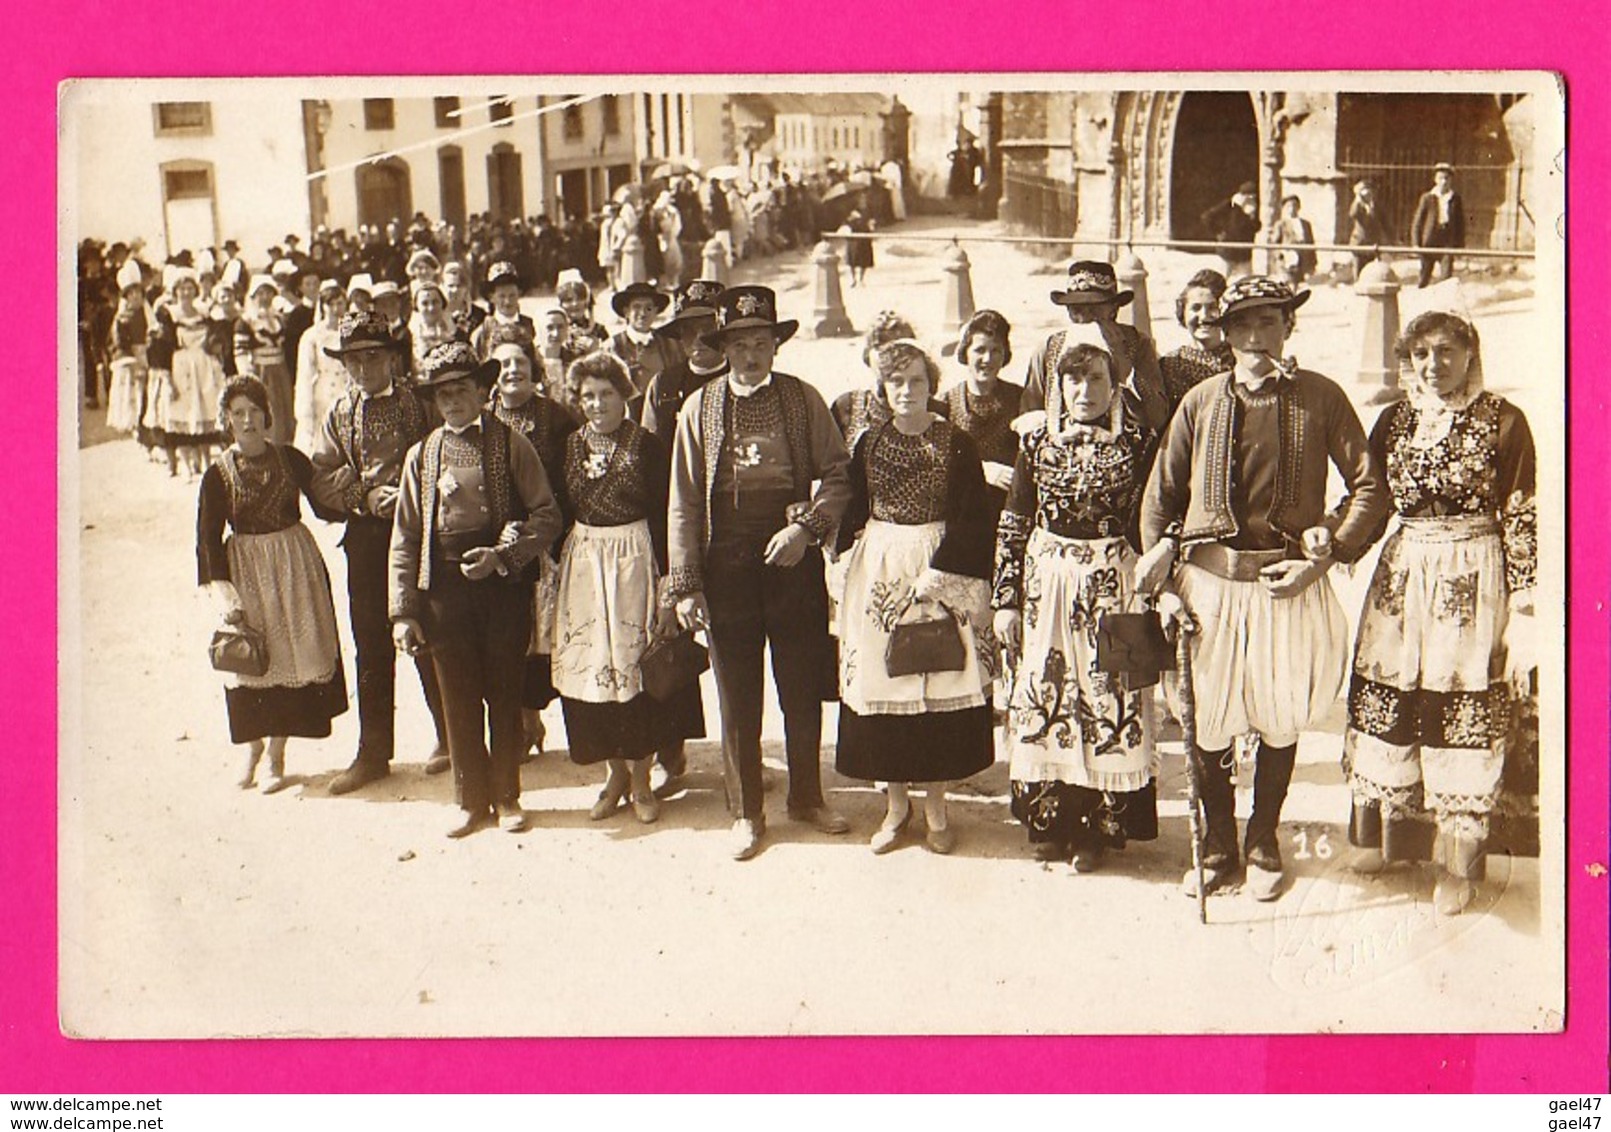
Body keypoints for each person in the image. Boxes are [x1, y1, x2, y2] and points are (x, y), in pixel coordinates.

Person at [1136, 276, 1389, 901]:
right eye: (1242, 325)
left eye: (1269, 322)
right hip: (1210, 588)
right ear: (1224, 335)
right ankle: (1219, 845)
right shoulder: (1199, 401)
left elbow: (1370, 488)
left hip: (1287, 584)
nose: (1255, 337)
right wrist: (1165, 579)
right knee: (1207, 721)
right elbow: (1159, 499)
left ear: (1288, 328)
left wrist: (1323, 556)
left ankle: (1264, 839)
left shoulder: (1319, 398)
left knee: (1279, 718)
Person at [1342, 305, 1535, 915]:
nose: (1434, 365)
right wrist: (1332, 545)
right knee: (1390, 700)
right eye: (1421, 353)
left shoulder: (1505, 421)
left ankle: (1459, 866)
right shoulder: (1393, 422)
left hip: (1471, 582)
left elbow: (1523, 511)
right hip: (1403, 577)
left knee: (1461, 710)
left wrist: (1526, 604)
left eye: (1447, 351)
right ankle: (1383, 840)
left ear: (1470, 353)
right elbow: (1370, 502)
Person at [668, 285, 853, 860]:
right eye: (739, 343)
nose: (750, 354)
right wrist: (687, 583)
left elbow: (839, 474)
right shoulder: (699, 409)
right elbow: (684, 501)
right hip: (727, 561)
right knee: (738, 693)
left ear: (776, 344)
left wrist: (808, 531)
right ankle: (747, 811)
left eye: (760, 341)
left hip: (791, 559)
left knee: (800, 686)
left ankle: (806, 797)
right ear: (723, 348)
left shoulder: (803, 400)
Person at [994, 325, 1159, 870]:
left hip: (1115, 584)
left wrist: (1159, 590)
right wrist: (1006, 601)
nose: (1084, 391)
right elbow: (1015, 519)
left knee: (1106, 699)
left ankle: (1095, 831)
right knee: (1049, 693)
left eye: (1095, 379)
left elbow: (1152, 518)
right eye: (1073, 380)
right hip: (1047, 584)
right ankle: (1049, 822)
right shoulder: (1035, 442)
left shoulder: (1137, 443)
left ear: (1114, 385)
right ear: (1057, 387)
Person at [390, 342, 564, 838]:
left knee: (504, 692)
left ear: (482, 391)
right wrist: (404, 610)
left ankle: (507, 795)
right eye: (443, 394)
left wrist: (504, 556)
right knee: (457, 695)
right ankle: (470, 800)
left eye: (462, 390)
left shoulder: (511, 444)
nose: (452, 402)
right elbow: (404, 537)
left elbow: (548, 515)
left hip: (501, 588)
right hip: (443, 591)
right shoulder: (421, 456)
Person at [833, 339, 996, 854]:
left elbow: (974, 514)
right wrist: (834, 549)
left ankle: (937, 807)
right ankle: (896, 806)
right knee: (887, 684)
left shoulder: (955, 442)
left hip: (937, 560)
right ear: (883, 387)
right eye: (897, 381)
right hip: (881, 565)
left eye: (917, 381)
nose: (907, 391)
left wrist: (941, 576)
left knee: (939, 680)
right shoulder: (868, 443)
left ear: (932, 386)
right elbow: (852, 503)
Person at [310, 312, 451, 794]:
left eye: (373, 357)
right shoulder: (340, 413)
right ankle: (373, 753)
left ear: (392, 357)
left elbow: (447, 455)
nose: (364, 369)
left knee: (430, 633)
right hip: (368, 541)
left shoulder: (420, 404)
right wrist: (362, 498)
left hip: (421, 535)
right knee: (371, 642)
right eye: (354, 360)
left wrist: (412, 495)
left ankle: (452, 737)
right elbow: (321, 477)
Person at [549, 352, 688, 823]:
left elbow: (670, 517)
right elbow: (558, 511)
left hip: (635, 561)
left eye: (606, 393)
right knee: (595, 675)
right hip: (586, 564)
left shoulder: (647, 446)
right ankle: (615, 776)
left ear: (623, 394)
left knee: (635, 672)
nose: (596, 404)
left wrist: (670, 585)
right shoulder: (569, 447)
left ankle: (643, 780)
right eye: (587, 396)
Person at [197, 376, 348, 793]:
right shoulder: (217, 473)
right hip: (247, 570)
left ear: (267, 415)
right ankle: (252, 748)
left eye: (254, 411)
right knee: (249, 661)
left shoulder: (290, 459)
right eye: (238, 413)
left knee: (290, 656)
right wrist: (223, 591)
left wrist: (350, 489)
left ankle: (277, 756)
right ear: (227, 420)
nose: (247, 420)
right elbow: (207, 539)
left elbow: (324, 503)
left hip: (294, 565)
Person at [486, 331, 579, 759]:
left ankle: (583, 734)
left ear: (534, 367)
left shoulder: (557, 418)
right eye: (503, 364)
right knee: (512, 638)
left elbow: (575, 480)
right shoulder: (483, 419)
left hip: (551, 541)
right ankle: (526, 724)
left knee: (558, 636)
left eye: (520, 362)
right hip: (499, 546)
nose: (512, 371)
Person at [1021, 261, 1168, 434]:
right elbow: (1030, 417)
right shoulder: (1049, 350)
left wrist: (1123, 364)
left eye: (1094, 309)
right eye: (1077, 309)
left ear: (1113, 309)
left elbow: (1157, 418)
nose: (1085, 318)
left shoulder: (1137, 344)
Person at [944, 309, 1021, 518]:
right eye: (980, 350)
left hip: (1010, 509)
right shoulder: (947, 403)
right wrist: (982, 469)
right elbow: (938, 465)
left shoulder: (1019, 398)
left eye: (996, 350)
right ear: (965, 353)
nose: (988, 359)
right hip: (964, 513)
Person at [154, 268, 229, 479]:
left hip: (204, 366)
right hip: (181, 366)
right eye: (182, 289)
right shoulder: (169, 314)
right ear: (175, 291)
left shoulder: (204, 313)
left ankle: (205, 462)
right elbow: (162, 348)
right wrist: (167, 378)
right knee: (182, 412)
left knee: (205, 412)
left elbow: (216, 338)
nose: (186, 293)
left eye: (189, 288)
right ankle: (186, 464)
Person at [639, 280, 728, 447]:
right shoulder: (663, 384)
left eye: (707, 330)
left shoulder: (740, 378)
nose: (698, 339)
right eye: (689, 331)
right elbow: (649, 449)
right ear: (679, 335)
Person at [1158, 269, 1235, 416]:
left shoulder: (1239, 358)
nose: (1204, 316)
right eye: (1196, 308)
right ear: (1183, 312)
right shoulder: (1170, 364)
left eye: (1213, 307)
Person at [233, 277, 295, 445]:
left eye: (268, 292)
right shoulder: (246, 322)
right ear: (253, 296)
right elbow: (240, 352)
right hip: (261, 371)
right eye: (260, 293)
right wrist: (248, 377)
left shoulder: (279, 319)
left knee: (284, 413)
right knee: (267, 412)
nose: (265, 297)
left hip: (280, 371)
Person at [293, 279, 351, 452]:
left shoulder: (350, 333)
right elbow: (305, 375)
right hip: (322, 396)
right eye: (330, 304)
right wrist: (305, 411)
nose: (335, 309)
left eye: (340, 303)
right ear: (322, 306)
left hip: (346, 392)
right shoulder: (312, 336)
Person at [607, 281, 682, 411]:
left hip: (664, 410)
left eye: (648, 308)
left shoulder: (670, 344)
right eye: (636, 307)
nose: (642, 313)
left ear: (655, 312)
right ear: (626, 312)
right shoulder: (613, 346)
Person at [105, 259, 149, 437]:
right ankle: (139, 434)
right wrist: (133, 362)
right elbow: (119, 345)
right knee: (136, 398)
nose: (136, 296)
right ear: (126, 297)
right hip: (133, 361)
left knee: (150, 397)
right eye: (131, 294)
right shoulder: (122, 319)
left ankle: (151, 436)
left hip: (148, 356)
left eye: (138, 292)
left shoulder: (148, 314)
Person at [1411, 162, 1466, 288]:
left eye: (1447, 178)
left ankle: (1443, 303)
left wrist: (1460, 245)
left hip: (1446, 240)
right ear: (1435, 180)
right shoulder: (1427, 198)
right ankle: (1420, 300)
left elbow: (1460, 223)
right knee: (1424, 275)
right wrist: (1416, 243)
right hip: (1429, 240)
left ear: (1451, 180)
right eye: (1441, 178)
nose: (1444, 182)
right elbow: (1417, 222)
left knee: (1446, 277)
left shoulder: (1455, 198)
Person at [470, 261, 536, 360]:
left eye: (512, 295)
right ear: (492, 297)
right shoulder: (483, 331)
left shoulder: (528, 325)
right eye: (502, 296)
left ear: (519, 294)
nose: (507, 302)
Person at [1201, 181, 1260, 280]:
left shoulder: (1253, 208)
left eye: (1252, 197)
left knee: (1246, 280)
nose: (1250, 200)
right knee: (1221, 279)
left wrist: (1252, 217)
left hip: (1244, 254)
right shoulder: (1228, 205)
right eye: (1248, 197)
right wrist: (1218, 232)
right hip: (1227, 251)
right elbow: (1207, 217)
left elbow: (1256, 227)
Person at [408, 280, 460, 374]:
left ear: (442, 304)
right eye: (425, 303)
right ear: (416, 306)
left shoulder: (457, 333)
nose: (431, 308)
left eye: (435, 302)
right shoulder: (409, 336)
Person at [1348, 180, 1392, 279]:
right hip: (1359, 243)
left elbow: (1385, 222)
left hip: (1373, 243)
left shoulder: (1377, 206)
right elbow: (1353, 214)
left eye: (1369, 192)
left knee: (1371, 271)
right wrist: (1358, 198)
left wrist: (1390, 239)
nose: (1368, 195)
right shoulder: (1358, 206)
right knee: (1358, 271)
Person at [556, 269, 609, 351]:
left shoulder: (599, 330)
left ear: (587, 301)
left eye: (580, 298)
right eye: (569, 300)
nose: (575, 304)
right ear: (560, 304)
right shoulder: (555, 330)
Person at [1270, 195, 1317, 287]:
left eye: (1294, 206)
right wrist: (1280, 256)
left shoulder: (1306, 224)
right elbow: (1274, 244)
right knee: (1288, 283)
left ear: (1299, 207)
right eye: (1289, 206)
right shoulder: (1281, 224)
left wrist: (1313, 261)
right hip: (1287, 259)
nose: (1292, 209)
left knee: (1297, 285)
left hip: (1302, 259)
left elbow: (1311, 243)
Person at [842, 208, 875, 287]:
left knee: (864, 261)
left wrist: (871, 225)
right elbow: (844, 227)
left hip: (864, 240)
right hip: (853, 241)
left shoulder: (867, 212)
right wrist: (851, 219)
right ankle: (853, 279)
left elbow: (871, 226)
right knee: (852, 261)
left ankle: (861, 279)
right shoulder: (849, 214)